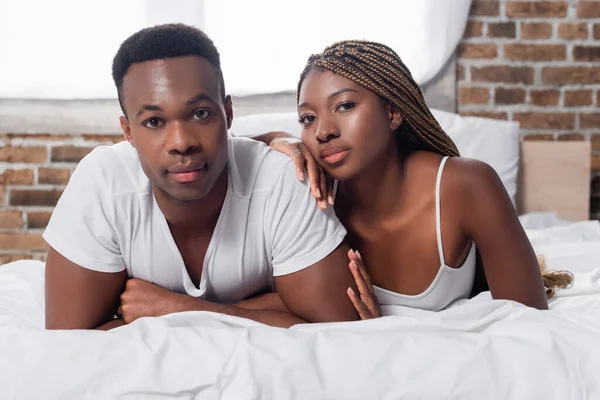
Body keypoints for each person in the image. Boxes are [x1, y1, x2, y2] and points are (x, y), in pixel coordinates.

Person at [43, 24, 359, 330]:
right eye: (154, 121)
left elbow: (337, 328)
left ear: (228, 114)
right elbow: (70, 344)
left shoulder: (283, 178)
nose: (182, 142)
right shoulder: (103, 183)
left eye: (200, 114)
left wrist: (175, 308)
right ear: (128, 132)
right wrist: (273, 307)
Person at [260, 40, 555, 318]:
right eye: (308, 118)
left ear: (393, 112)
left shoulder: (467, 184)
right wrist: (276, 138)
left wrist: (386, 327)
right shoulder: (306, 190)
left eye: (345, 106)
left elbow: (529, 324)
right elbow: (223, 154)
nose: (323, 132)